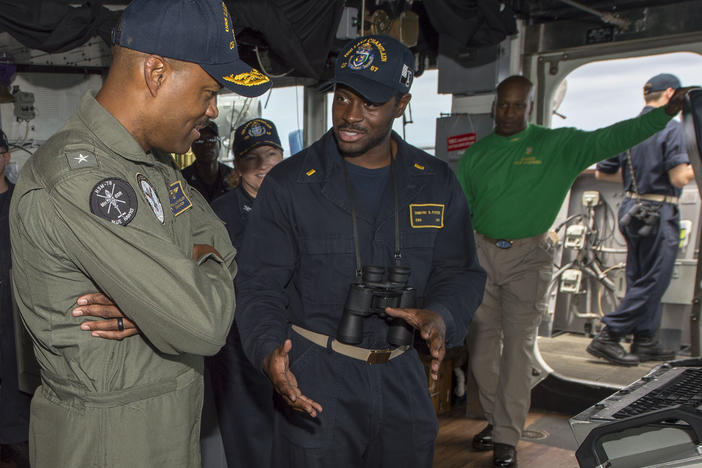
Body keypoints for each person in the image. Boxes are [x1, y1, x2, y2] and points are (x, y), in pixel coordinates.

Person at [8, 0, 272, 466]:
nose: (213, 109)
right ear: (156, 73)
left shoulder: (154, 162)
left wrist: (157, 299)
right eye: (208, 91)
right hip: (113, 440)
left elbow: (221, 238)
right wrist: (171, 298)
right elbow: (205, 323)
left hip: (165, 423)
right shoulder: (78, 178)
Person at [235, 34, 486, 468]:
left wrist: (441, 316)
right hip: (315, 377)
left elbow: (460, 271)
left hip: (402, 377)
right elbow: (259, 285)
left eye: (369, 103)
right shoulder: (291, 184)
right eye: (343, 97)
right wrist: (268, 350)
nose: (350, 115)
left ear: (401, 104)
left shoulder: (436, 182)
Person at [457, 75, 692, 467]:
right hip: (482, 255)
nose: (509, 112)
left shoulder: (558, 145)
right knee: (481, 350)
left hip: (528, 257)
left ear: (530, 107)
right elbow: (460, 213)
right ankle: (499, 420)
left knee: (517, 349)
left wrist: (664, 114)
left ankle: (505, 438)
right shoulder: (475, 155)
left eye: (517, 105)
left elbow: (614, 137)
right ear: (494, 106)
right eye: (503, 104)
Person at [588, 73, 694, 366]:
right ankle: (610, 334)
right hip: (659, 211)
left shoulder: (630, 129)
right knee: (654, 280)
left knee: (639, 276)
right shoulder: (671, 129)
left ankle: (644, 339)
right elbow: (679, 175)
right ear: (671, 93)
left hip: (632, 208)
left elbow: (601, 172)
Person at [207, 117, 284, 468]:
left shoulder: (298, 204)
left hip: (292, 337)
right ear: (237, 165)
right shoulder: (218, 215)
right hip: (239, 345)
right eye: (253, 158)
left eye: (271, 154)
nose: (264, 165)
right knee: (249, 438)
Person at [0, 129, 30, 468]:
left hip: (15, 305)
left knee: (15, 373)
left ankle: (15, 440)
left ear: (6, 157)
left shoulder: (20, 202)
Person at [181, 120, 233, 203]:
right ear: (192, 147)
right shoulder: (182, 179)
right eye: (200, 141)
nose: (207, 144)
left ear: (219, 144)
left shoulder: (233, 176)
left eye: (211, 140)